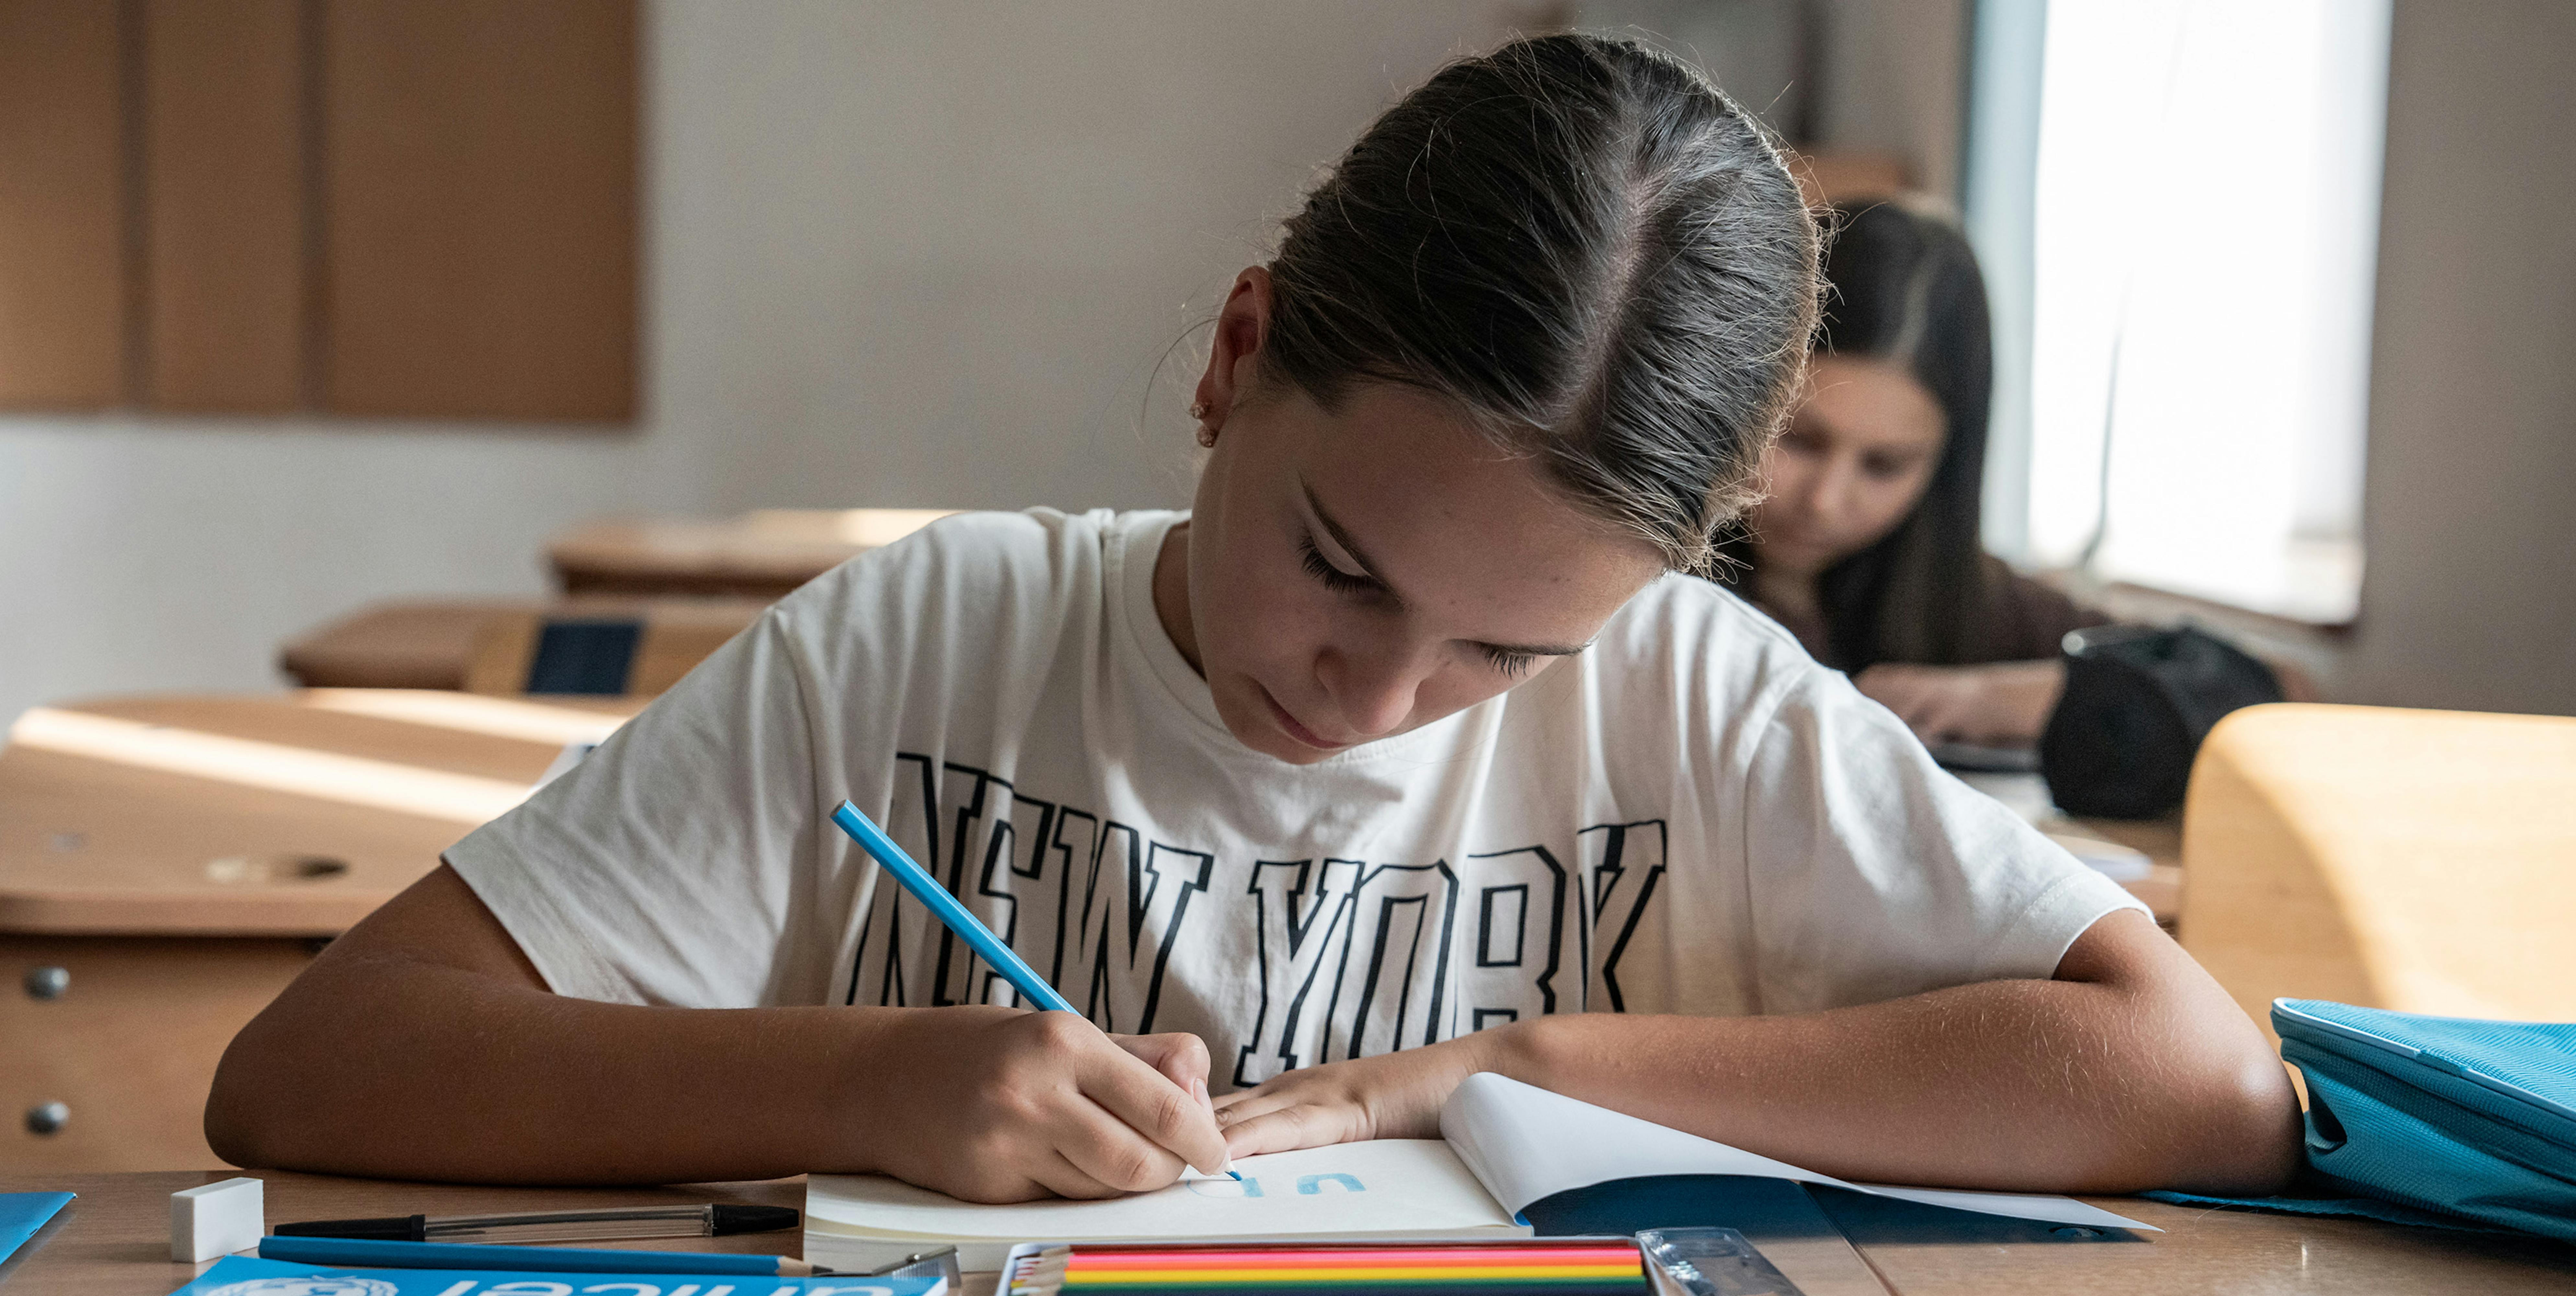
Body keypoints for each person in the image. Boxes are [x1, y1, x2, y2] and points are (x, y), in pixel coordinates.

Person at [206, 36, 2297, 1203]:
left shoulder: (1694, 697)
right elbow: (313, 1067)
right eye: (1340, 565)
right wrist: (853, 1082)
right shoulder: (924, 644)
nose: (1368, 699)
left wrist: (1505, 1059)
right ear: (1233, 360)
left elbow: (2193, 1082)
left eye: (1506, 655)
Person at [1729, 199, 2111, 746]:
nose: (1825, 502)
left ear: (1946, 464)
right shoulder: (1625, 578)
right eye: (1798, 439)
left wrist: (2007, 699)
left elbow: (2251, 689)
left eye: (1885, 466)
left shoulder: (1969, 597)